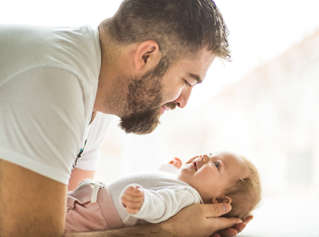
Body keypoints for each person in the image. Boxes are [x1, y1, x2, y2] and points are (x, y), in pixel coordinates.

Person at [0, 0, 251, 236]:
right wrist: (168, 231)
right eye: (186, 81)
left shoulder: (94, 99)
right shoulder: (56, 82)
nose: (183, 102)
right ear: (146, 56)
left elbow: (73, 216)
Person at [64, 152, 261, 233]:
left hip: (93, 216)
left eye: (216, 164)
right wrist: (168, 169)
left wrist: (143, 202)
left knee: (50, 226)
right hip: (90, 203)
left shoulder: (188, 197)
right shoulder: (181, 185)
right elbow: (160, 183)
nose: (204, 157)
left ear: (220, 200)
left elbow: (161, 204)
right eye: (209, 154)